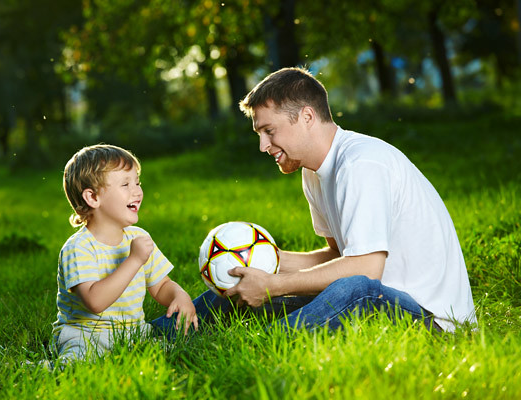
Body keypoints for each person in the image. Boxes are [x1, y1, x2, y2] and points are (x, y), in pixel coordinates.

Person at [217, 67, 476, 332]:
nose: (263, 145)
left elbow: (365, 269)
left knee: (357, 289)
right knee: (245, 277)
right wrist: (262, 259)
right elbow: (338, 256)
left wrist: (275, 286)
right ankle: (176, 333)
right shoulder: (312, 172)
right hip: (379, 297)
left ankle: (264, 347)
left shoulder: (360, 163)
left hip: (434, 321)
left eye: (269, 131)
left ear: (307, 116)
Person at [51, 144, 198, 361]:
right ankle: (43, 368)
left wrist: (180, 295)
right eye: (126, 184)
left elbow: (161, 286)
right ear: (92, 198)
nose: (137, 191)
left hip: (133, 333)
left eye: (137, 182)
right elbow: (95, 301)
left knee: (179, 341)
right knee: (80, 361)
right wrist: (134, 260)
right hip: (85, 335)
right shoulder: (78, 248)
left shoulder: (137, 237)